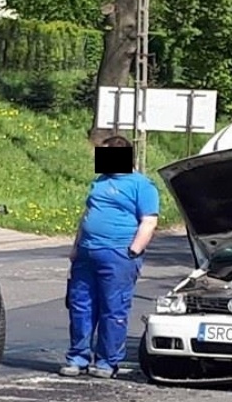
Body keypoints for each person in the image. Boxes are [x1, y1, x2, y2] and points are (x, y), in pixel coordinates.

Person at [60, 135, 160, 378]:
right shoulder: (100, 181)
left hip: (118, 254)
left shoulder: (142, 185)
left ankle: (107, 362)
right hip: (87, 253)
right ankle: (77, 358)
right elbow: (87, 215)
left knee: (113, 309)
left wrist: (133, 250)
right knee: (80, 306)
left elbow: (149, 221)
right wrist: (76, 247)